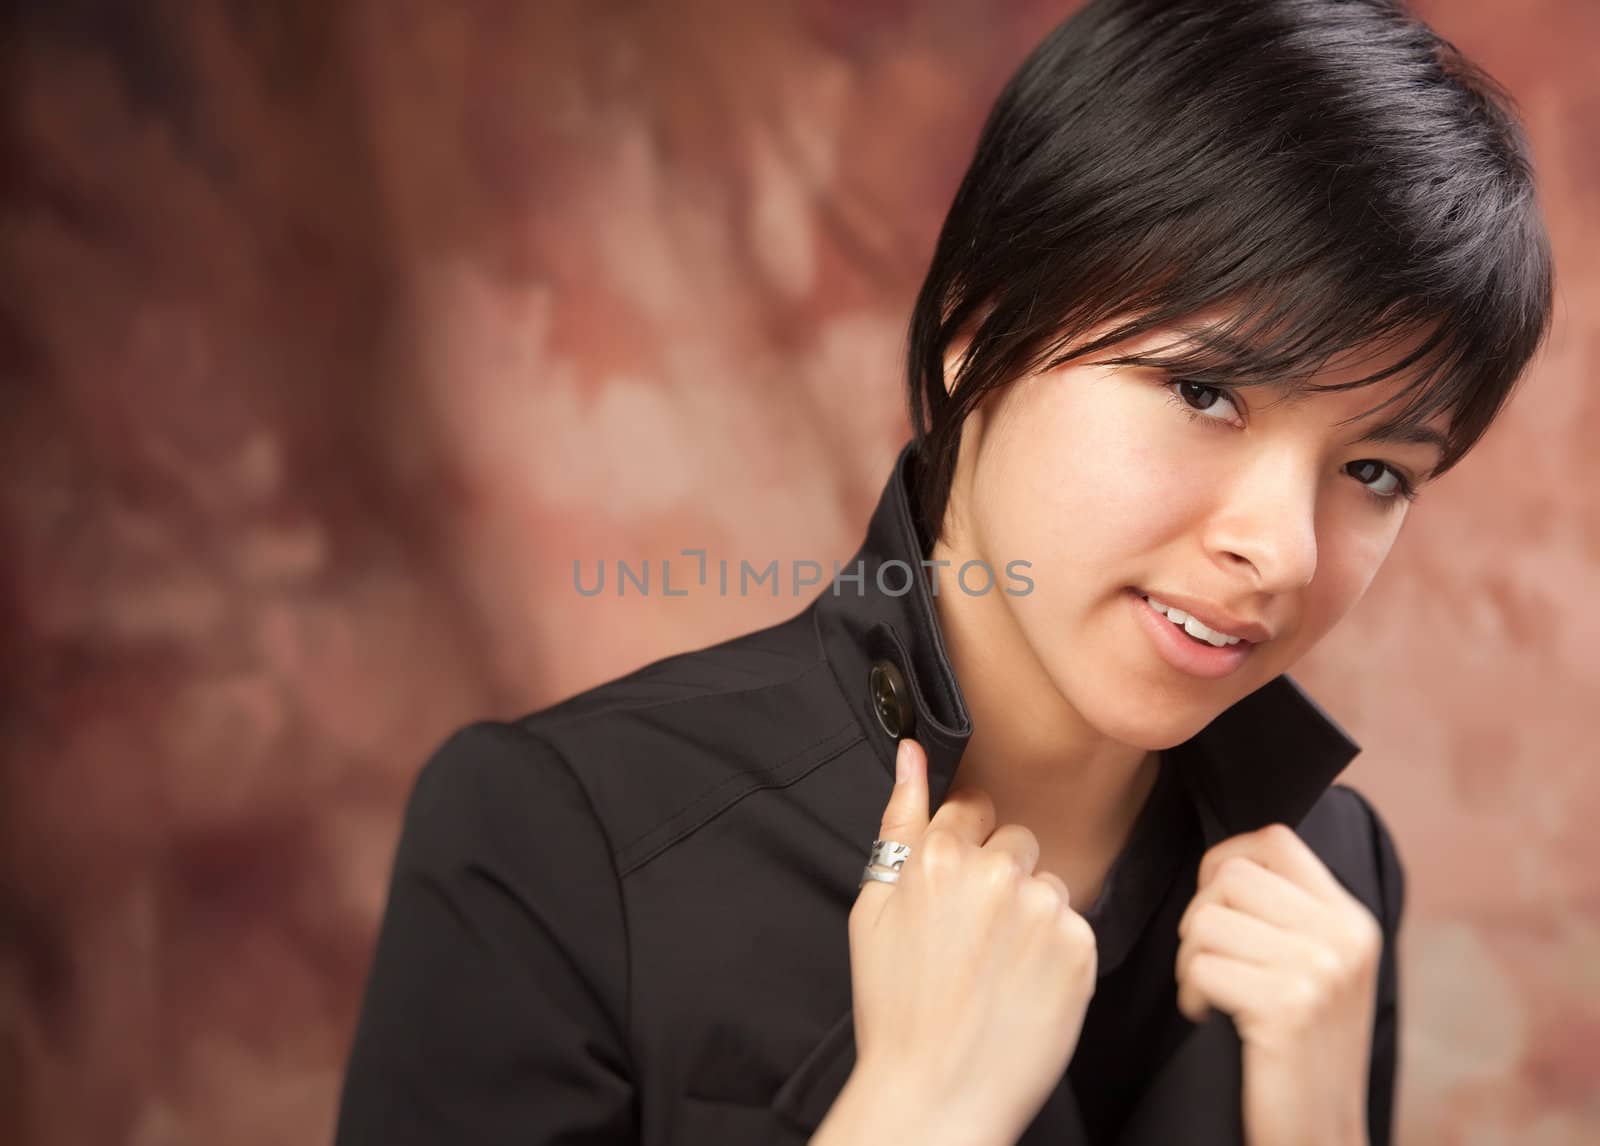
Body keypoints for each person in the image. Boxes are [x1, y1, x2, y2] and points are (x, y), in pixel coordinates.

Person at [332, 1, 1554, 1144]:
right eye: (1203, 392)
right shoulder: (557, 842)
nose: (1280, 550)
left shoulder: (1333, 883)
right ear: (978, 326)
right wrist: (915, 1112)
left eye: (1377, 470)